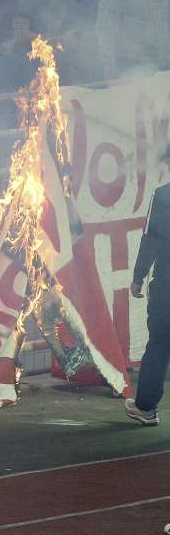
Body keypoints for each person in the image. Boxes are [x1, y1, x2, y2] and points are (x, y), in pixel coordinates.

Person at [128, 173, 170, 427]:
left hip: (167, 286)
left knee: (159, 344)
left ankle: (145, 407)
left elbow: (151, 239)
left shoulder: (164, 195)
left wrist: (137, 277)